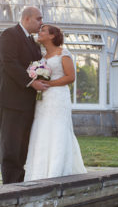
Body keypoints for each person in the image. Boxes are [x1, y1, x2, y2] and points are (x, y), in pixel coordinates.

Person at [0, 7, 49, 184]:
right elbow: (9, 63)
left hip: (27, 101)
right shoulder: (9, 35)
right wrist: (32, 82)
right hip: (11, 100)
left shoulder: (32, 42)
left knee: (23, 144)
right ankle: (10, 183)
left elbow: (36, 65)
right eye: (38, 19)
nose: (41, 23)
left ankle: (19, 180)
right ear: (26, 19)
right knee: (11, 144)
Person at [24, 24, 86, 181]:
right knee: (42, 129)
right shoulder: (42, 57)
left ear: (52, 36)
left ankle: (56, 170)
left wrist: (49, 84)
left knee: (58, 128)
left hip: (58, 97)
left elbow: (70, 77)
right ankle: (39, 172)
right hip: (43, 99)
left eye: (43, 31)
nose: (39, 32)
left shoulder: (63, 53)